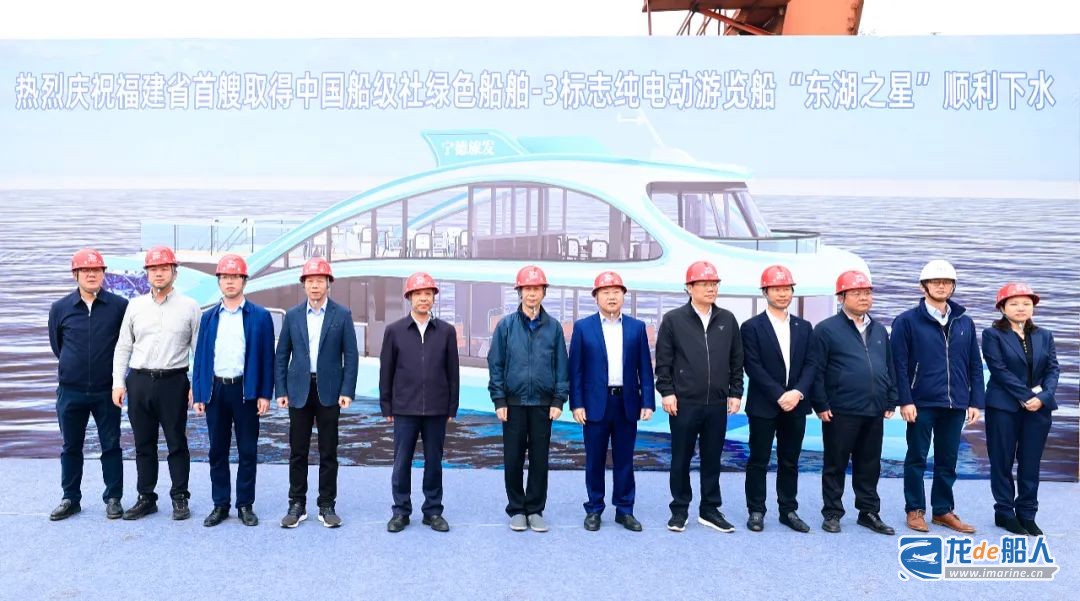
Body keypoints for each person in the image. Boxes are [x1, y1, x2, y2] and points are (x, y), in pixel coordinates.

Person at [891, 260, 984, 534]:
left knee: (948, 459)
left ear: (953, 286)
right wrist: (905, 400)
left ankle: (943, 510)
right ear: (924, 286)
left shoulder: (964, 322)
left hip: (955, 404)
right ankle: (915, 510)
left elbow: (974, 364)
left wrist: (975, 401)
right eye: (935, 282)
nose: (941, 286)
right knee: (917, 457)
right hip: (921, 402)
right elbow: (898, 365)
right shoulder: (907, 321)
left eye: (947, 282)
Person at [111, 245, 201, 521]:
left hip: (174, 381)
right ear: (147, 273)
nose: (158, 274)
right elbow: (124, 346)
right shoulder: (135, 306)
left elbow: (198, 350)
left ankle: (180, 497)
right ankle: (146, 497)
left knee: (176, 442)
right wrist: (118, 382)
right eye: (153, 269)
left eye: (164, 268)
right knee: (143, 443)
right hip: (139, 381)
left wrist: (196, 385)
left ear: (174, 272)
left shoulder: (190, 306)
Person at [655, 260, 743, 533]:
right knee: (680, 458)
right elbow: (663, 360)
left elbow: (736, 358)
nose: (710, 289)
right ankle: (679, 509)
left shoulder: (727, 319)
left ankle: (710, 509)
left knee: (712, 458)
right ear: (689, 288)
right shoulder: (673, 319)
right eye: (704, 284)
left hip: (717, 403)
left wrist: (735, 392)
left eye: (714, 284)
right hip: (684, 402)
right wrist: (667, 392)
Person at [809, 269, 897, 535]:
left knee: (870, 464)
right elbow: (816, 369)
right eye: (856, 293)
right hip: (840, 409)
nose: (863, 298)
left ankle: (868, 512)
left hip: (874, 408)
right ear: (841, 297)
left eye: (867, 293)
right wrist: (821, 404)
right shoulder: (826, 329)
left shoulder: (879, 329)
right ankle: (832, 512)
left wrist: (891, 398)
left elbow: (889, 366)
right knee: (835, 464)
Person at [191, 254, 275, 527]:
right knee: (217, 451)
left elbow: (267, 358)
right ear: (219, 281)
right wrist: (199, 392)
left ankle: (245, 505)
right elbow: (200, 357)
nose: (229, 282)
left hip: (245, 391)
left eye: (234, 277)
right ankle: (220, 504)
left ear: (244, 281)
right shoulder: (208, 317)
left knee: (247, 451)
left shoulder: (260, 317)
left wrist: (265, 393)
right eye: (225, 277)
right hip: (216, 391)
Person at [275, 257, 358, 528]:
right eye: (310, 281)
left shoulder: (342, 315)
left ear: (328, 284)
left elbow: (351, 355)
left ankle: (327, 504)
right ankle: (296, 504)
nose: (314, 285)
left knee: (328, 451)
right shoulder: (293, 315)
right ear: (304, 285)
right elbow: (282, 355)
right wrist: (281, 389)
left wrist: (347, 390)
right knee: (297, 451)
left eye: (319, 281)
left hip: (330, 391)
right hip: (298, 390)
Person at [569, 270, 654, 532]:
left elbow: (644, 368)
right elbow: (576, 370)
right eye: (605, 292)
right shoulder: (583, 328)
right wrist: (576, 404)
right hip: (595, 403)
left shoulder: (637, 328)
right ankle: (594, 508)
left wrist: (647, 401)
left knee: (625, 459)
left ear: (624, 296)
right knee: (594, 459)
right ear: (596, 297)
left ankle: (625, 510)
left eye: (616, 292)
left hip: (626, 403)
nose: (611, 297)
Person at [48, 248, 128, 520]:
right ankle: (70, 498)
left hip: (106, 391)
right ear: (75, 275)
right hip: (70, 391)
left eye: (96, 270)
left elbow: (124, 345)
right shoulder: (60, 308)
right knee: (71, 447)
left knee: (111, 445)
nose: (91, 274)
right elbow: (58, 346)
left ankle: (113, 498)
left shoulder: (119, 306)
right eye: (85, 270)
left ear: (103, 273)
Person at [486, 265, 568, 532]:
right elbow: (496, 364)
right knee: (513, 458)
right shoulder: (506, 326)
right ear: (519, 292)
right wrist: (499, 400)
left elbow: (561, 366)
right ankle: (517, 509)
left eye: (537, 289)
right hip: (513, 404)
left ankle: (535, 509)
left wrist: (558, 400)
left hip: (543, 405)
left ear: (544, 292)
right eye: (527, 289)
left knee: (540, 460)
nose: (532, 294)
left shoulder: (554, 328)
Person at [381, 272, 460, 533]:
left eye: (428, 294)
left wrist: (452, 405)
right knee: (401, 462)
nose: (423, 298)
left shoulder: (446, 332)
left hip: (437, 408)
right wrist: (386, 404)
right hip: (404, 408)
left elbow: (453, 371)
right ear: (409, 298)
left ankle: (433, 511)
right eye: (418, 294)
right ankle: (401, 511)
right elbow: (386, 370)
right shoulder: (394, 331)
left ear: (434, 298)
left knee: (434, 461)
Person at [739, 265, 815, 533]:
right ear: (765, 292)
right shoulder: (751, 327)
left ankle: (788, 510)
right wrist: (779, 394)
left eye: (787, 289)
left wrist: (797, 392)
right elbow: (752, 365)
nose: (783, 294)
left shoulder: (804, 327)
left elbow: (811, 364)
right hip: (764, 405)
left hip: (796, 404)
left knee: (789, 460)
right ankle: (756, 510)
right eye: (776, 289)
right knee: (758, 459)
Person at [982, 283, 1059, 536]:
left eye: (1026, 303)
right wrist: (1027, 396)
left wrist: (1043, 397)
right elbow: (999, 370)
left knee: (1030, 462)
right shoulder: (992, 335)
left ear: (1033, 307)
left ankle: (1027, 514)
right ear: (1002, 308)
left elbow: (1053, 369)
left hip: (1038, 409)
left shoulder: (1044, 335)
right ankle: (1005, 512)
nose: (1021, 308)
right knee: (1002, 461)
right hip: (1003, 407)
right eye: (1014, 303)